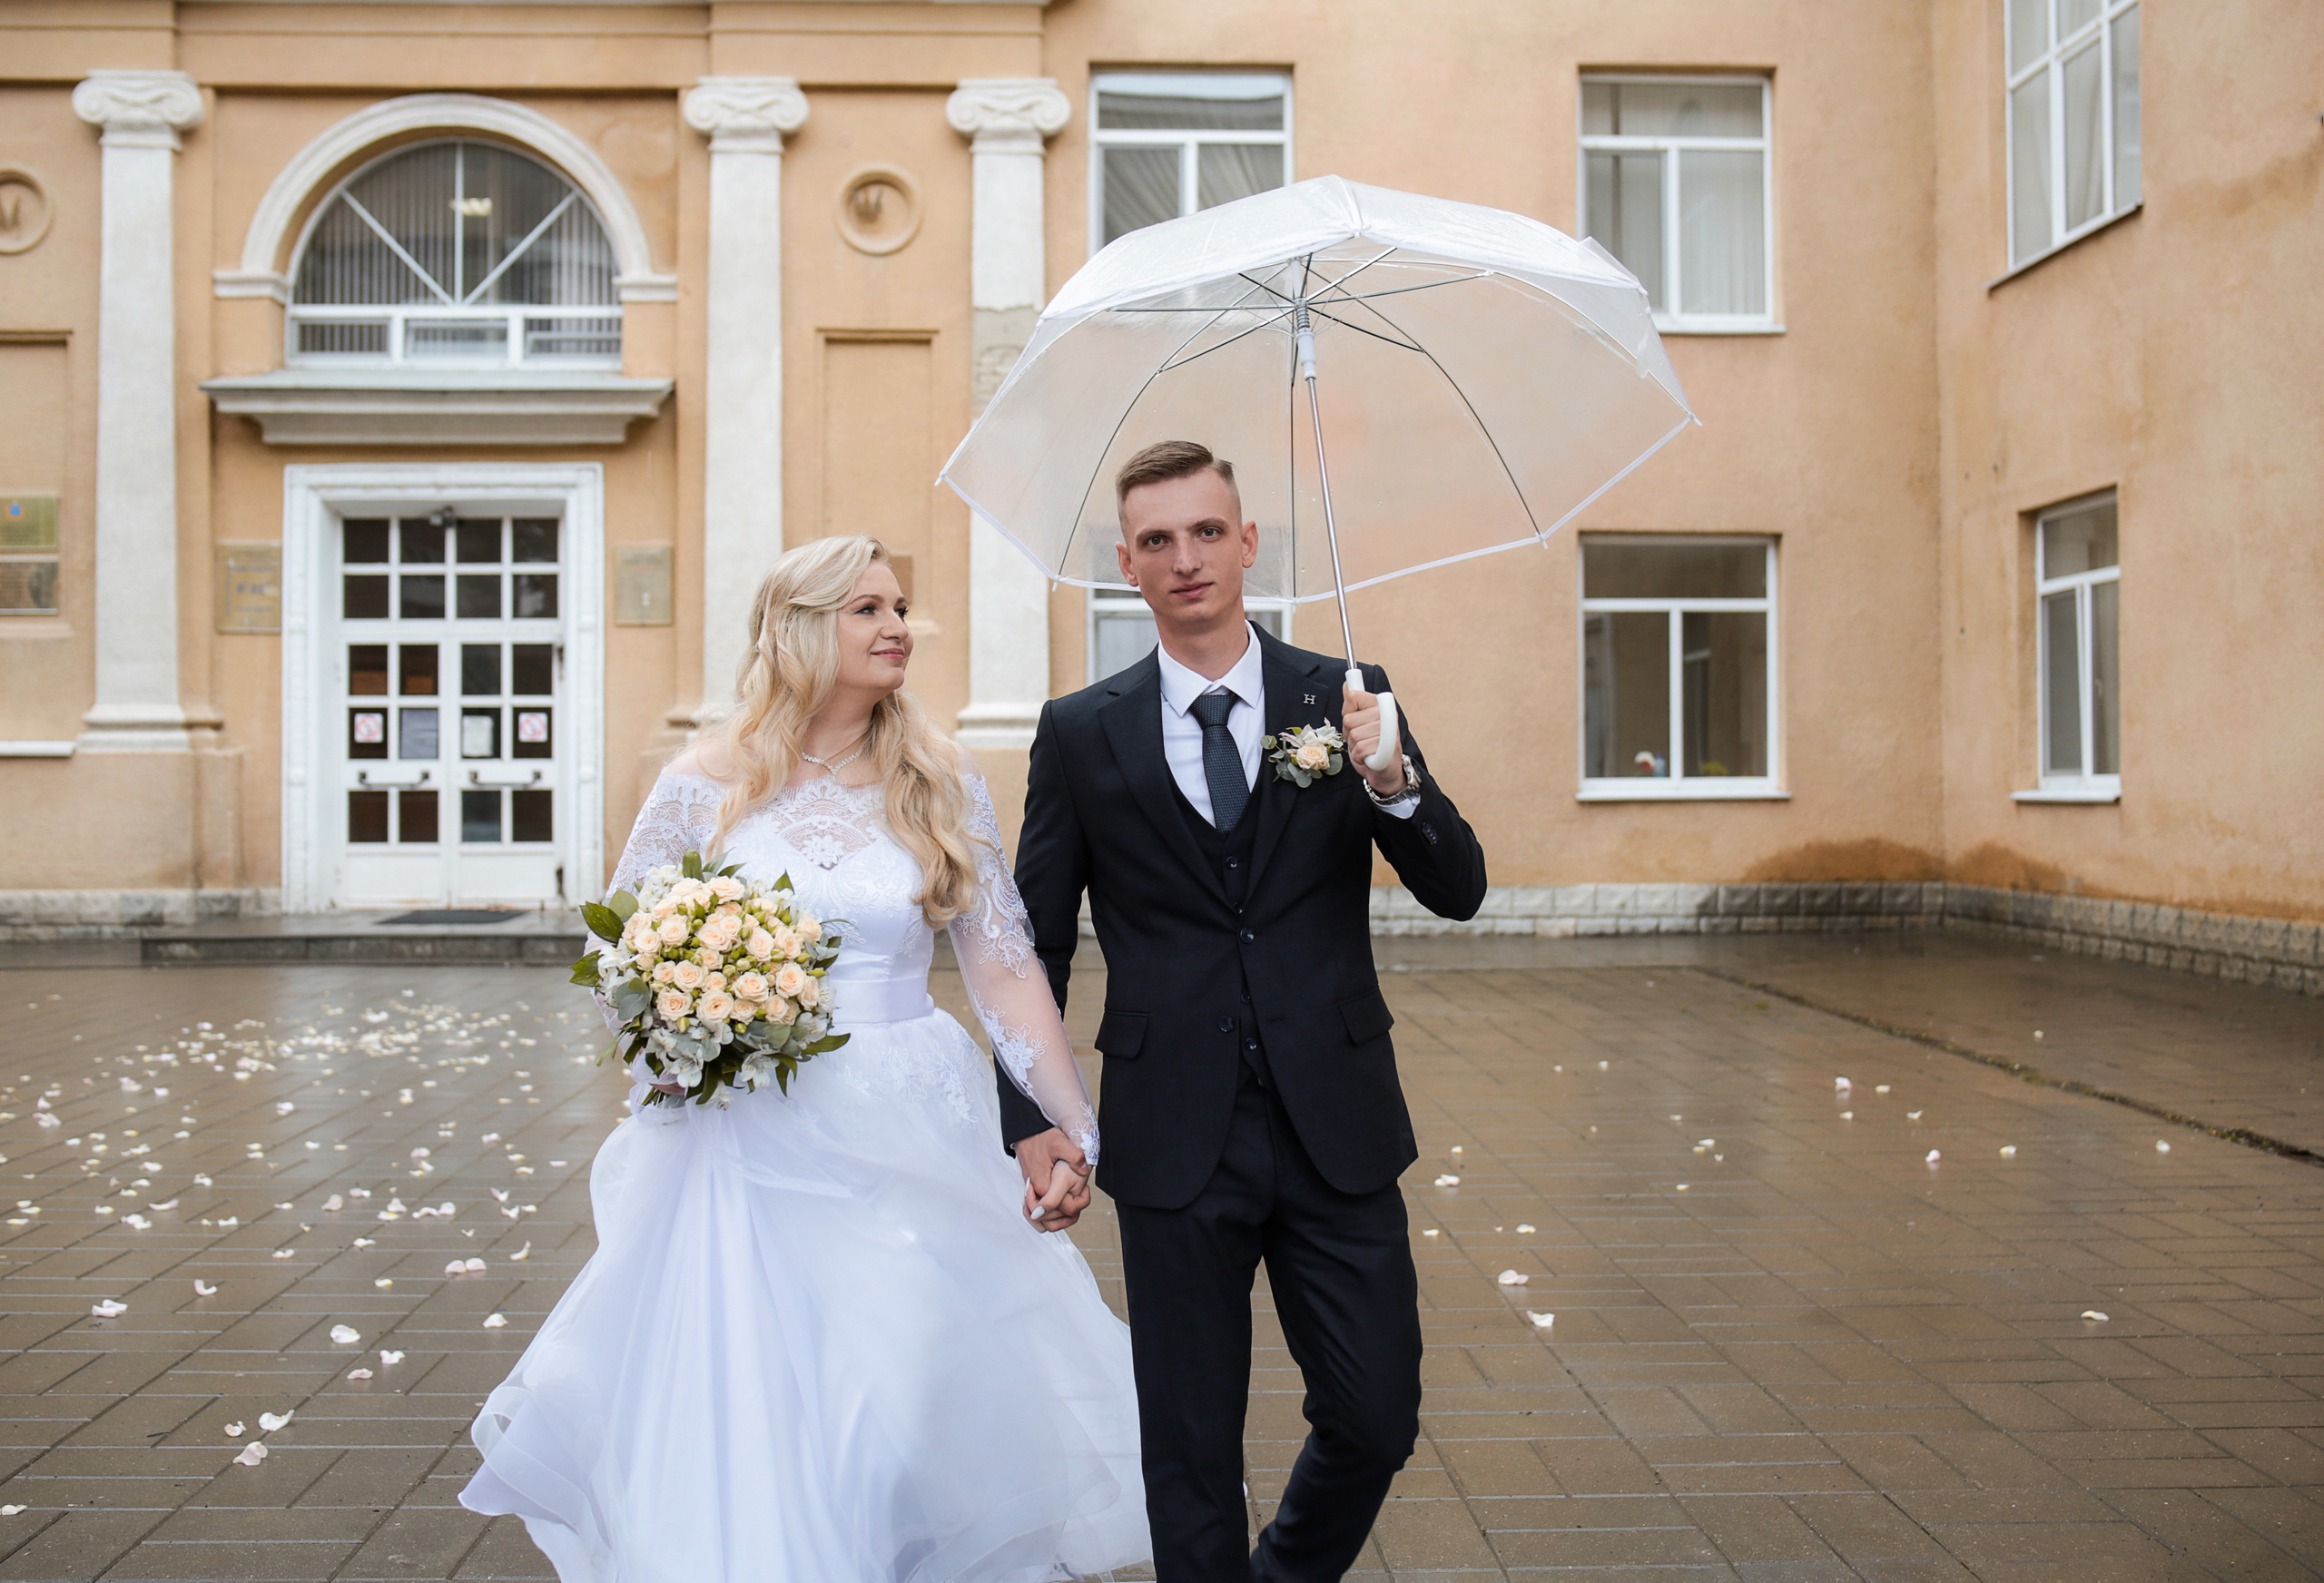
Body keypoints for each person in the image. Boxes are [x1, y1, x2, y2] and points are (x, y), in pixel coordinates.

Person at [461, 535, 1150, 1583]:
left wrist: (1067, 1126)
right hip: (746, 1130)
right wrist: (668, 1041)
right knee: (769, 1394)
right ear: (798, 627)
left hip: (912, 1113)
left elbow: (1006, 969)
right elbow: (622, 942)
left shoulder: (939, 778)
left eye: (901, 607)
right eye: (867, 608)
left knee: (906, 1385)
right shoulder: (706, 780)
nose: (896, 628)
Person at [1000, 441, 1488, 1581]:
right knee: (1188, 1447)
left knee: (1375, 1419)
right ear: (1127, 564)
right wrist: (1033, 1117)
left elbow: (1459, 888)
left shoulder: (1347, 698)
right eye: (1158, 541)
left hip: (1337, 1122)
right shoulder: (1080, 731)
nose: (1187, 559)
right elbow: (1032, 945)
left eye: (1207, 532)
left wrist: (1392, 781)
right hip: (1174, 1132)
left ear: (1248, 542)